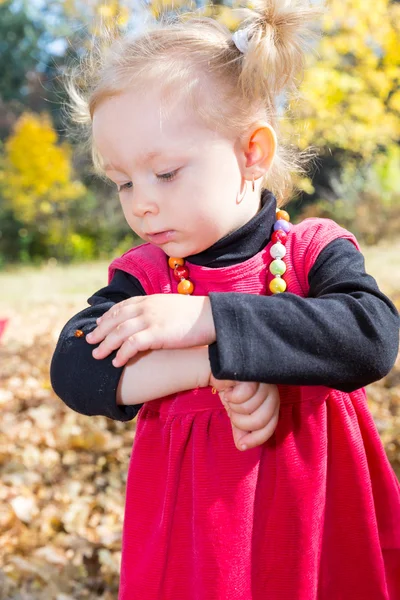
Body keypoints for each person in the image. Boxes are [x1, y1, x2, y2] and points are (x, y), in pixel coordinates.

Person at [50, 1, 400, 598]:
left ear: (251, 153)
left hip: (316, 525)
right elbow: (75, 367)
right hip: (200, 541)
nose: (141, 204)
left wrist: (207, 319)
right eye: (123, 182)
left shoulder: (313, 252)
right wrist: (210, 365)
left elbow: (371, 337)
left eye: (164, 173)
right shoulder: (147, 279)